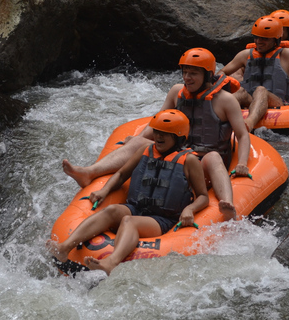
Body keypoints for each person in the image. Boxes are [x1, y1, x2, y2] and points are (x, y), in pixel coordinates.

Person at [63, 47, 250, 220]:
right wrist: (139, 140)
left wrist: (241, 163)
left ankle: (227, 203)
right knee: (139, 143)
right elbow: (158, 123)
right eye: (185, 72)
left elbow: (242, 135)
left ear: (208, 75)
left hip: (204, 164)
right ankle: (89, 172)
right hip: (177, 155)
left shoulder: (225, 100)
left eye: (193, 73)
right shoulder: (177, 92)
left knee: (213, 156)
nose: (187, 78)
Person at [47, 110, 209, 276]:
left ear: (179, 137)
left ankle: (111, 262)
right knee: (111, 210)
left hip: (162, 218)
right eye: (157, 131)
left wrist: (190, 209)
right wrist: (104, 190)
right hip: (136, 206)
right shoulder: (146, 150)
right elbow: (121, 174)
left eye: (165, 134)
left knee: (128, 221)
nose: (159, 136)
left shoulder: (189, 160)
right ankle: (64, 248)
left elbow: (203, 196)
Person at [222, 16, 289, 133]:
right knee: (240, 91)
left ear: (276, 40)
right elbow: (222, 73)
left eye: (264, 39)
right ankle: (216, 117)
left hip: (279, 101)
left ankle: (248, 125)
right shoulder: (245, 55)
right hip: (251, 99)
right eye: (256, 37)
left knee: (261, 90)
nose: (258, 42)